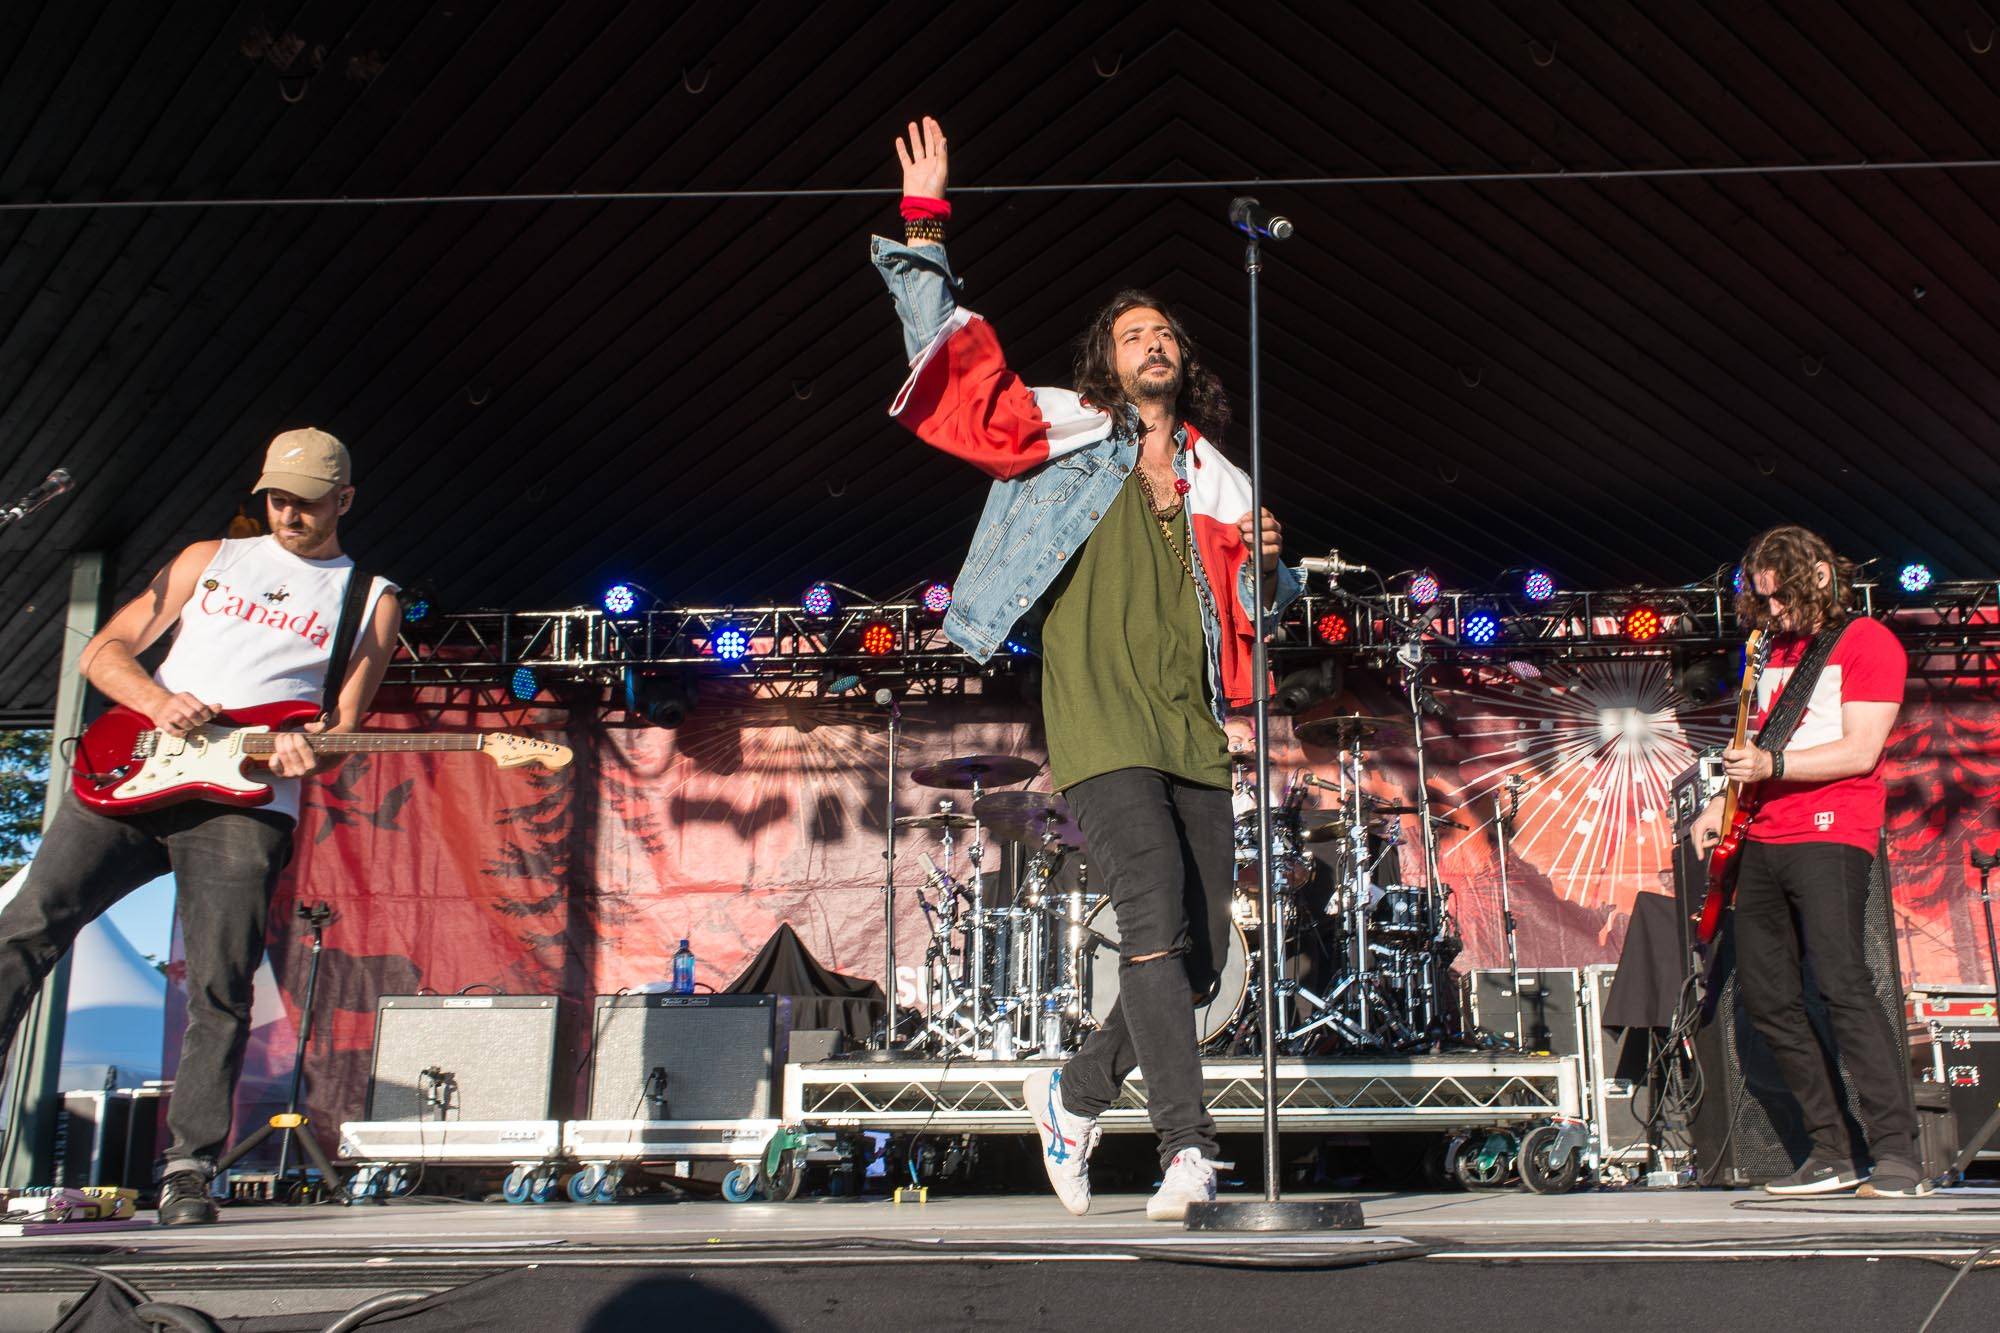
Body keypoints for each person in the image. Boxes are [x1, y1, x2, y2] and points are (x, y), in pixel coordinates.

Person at [873, 118, 1302, 1220]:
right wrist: (925, 221)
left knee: (1203, 958)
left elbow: (1261, 618)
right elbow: (953, 386)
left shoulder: (1225, 479)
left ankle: (1071, 1092)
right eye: (1131, 333)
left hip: (1189, 730)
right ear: (1104, 361)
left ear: (1185, 360)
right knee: (1150, 922)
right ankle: (1183, 1152)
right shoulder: (1066, 429)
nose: (1151, 342)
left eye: (1163, 332)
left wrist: (1273, 572)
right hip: (1101, 722)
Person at [0, 428, 400, 1225]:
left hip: (243, 800)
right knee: (22, 930)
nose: (289, 513)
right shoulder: (206, 558)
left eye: (308, 502)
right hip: (132, 769)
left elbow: (341, 730)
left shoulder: (371, 598)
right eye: (277, 497)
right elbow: (105, 652)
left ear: (344, 500)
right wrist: (155, 700)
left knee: (220, 986)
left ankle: (188, 1167)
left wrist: (305, 753)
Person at [1689, 524, 1920, 1197]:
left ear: (1820, 576)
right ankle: (1832, 1149)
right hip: (1762, 832)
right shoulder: (1769, 651)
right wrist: (1721, 802)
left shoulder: (1867, 641)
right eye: (1764, 601)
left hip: (1832, 828)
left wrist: (1774, 763)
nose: (1776, 611)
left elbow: (1860, 750)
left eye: (1783, 597)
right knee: (1766, 998)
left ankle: (1898, 1153)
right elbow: (1761, 738)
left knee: (1843, 984)